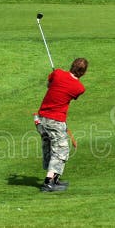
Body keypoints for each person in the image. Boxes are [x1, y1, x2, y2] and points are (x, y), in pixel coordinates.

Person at [35, 58, 88, 192]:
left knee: (49, 147)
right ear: (83, 73)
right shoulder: (79, 88)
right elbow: (70, 90)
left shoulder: (58, 73)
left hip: (40, 119)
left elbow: (49, 85)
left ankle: (55, 179)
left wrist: (56, 78)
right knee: (60, 150)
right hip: (55, 121)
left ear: (71, 66)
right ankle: (48, 183)